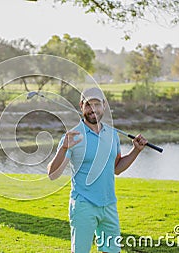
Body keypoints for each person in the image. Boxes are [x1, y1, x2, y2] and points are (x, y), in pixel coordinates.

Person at [47, 87, 148, 253]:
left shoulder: (112, 134)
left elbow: (116, 169)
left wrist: (136, 150)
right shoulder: (72, 136)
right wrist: (63, 148)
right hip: (83, 205)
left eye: (97, 104)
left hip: (109, 205)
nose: (93, 109)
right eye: (88, 104)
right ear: (81, 106)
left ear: (104, 105)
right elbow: (52, 174)